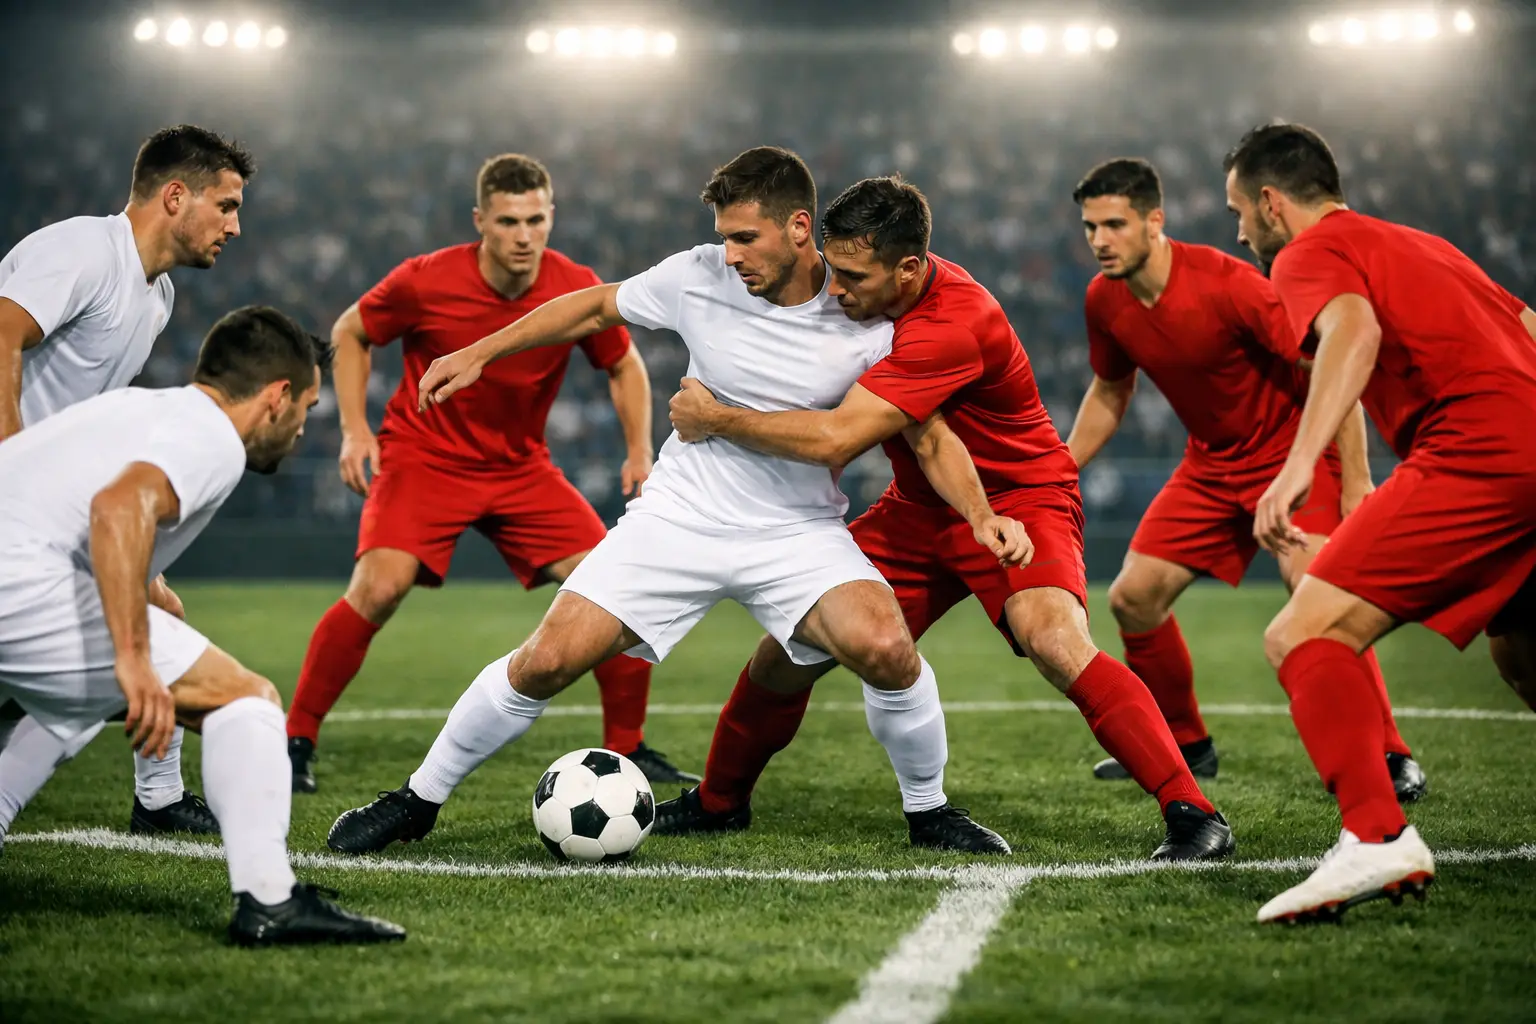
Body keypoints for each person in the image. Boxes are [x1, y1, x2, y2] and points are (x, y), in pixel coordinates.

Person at [327, 147, 1022, 856]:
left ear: (798, 228)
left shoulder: (866, 314)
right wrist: (483, 350)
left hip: (796, 531)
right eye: (723, 235)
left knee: (886, 647)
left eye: (745, 237)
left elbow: (928, 438)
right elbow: (593, 306)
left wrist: (980, 515)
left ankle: (929, 811)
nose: (730, 253)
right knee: (543, 662)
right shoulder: (697, 275)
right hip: (679, 516)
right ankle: (416, 800)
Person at [661, 176, 1235, 861]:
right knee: (788, 651)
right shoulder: (870, 298)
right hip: (916, 508)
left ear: (908, 268)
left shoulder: (953, 324)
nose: (836, 289)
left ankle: (1194, 813)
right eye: (834, 268)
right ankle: (720, 802)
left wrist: (715, 419)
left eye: (853, 275)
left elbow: (840, 437)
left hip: (1019, 500)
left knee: (1054, 640)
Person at [284, 153, 692, 792]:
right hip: (424, 456)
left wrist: (639, 449)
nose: (524, 235)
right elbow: (352, 331)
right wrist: (356, 429)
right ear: (481, 221)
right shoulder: (425, 280)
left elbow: (625, 364)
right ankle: (295, 742)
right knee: (379, 587)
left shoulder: (573, 283)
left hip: (521, 467)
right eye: (507, 221)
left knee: (615, 590)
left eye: (535, 219)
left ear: (551, 216)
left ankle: (628, 747)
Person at [0, 306, 404, 945]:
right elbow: (119, 505)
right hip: (17, 580)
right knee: (244, 699)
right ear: (277, 398)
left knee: (58, 706)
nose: (304, 427)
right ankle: (270, 901)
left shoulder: (150, 411)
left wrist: (144, 613)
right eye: (309, 405)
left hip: (18, 573)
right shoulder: (212, 436)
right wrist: (133, 658)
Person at [1222, 123, 1536, 923]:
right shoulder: (1420, 243)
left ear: (1271, 203)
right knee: (1524, 650)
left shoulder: (1303, 252)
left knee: (1304, 634)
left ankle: (1376, 834)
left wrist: (1300, 468)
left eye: (1239, 213)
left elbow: (1353, 334)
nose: (1239, 233)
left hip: (1479, 449)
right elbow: (1526, 322)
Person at [1066, 157, 1425, 800]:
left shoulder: (1230, 283)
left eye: (1115, 225)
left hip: (1294, 456)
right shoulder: (1105, 300)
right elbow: (1110, 390)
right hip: (1209, 466)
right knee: (1131, 597)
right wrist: (1062, 469)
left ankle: (1390, 752)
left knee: (1316, 595)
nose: (1100, 240)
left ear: (1155, 221)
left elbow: (1330, 367)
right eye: (1091, 227)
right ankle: (1186, 743)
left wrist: (1353, 483)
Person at [0, 124, 252, 842]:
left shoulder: (157, 296)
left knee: (153, 616)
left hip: (45, 512)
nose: (236, 225)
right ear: (176, 196)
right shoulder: (83, 249)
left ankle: (161, 799)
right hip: (15, 504)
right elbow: (0, 334)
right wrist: (11, 465)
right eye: (226, 205)